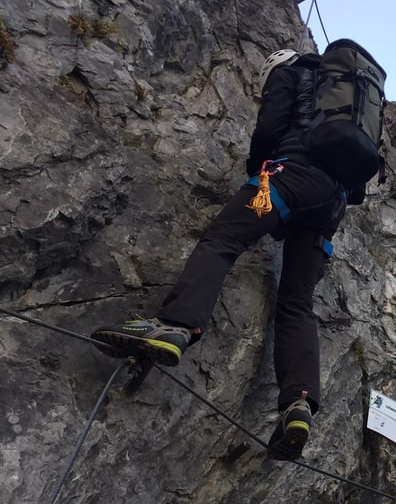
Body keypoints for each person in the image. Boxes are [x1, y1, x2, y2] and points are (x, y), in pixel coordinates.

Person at [91, 48, 359, 462]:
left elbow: (269, 127)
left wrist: (257, 169)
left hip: (289, 176)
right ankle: (298, 403)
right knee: (297, 302)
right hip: (331, 206)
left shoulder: (290, 72)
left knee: (222, 240)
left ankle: (175, 325)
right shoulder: (347, 102)